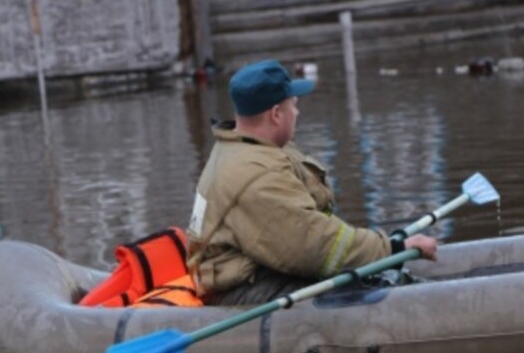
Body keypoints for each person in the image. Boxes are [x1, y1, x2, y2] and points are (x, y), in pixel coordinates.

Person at [187, 59, 438, 306]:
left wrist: (380, 249)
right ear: (276, 114)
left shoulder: (242, 148)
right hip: (245, 287)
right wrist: (392, 248)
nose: (297, 113)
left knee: (372, 277)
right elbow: (314, 245)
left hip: (261, 269)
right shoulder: (256, 175)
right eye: (293, 106)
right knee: (359, 292)